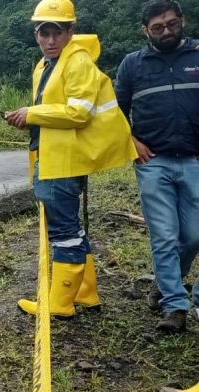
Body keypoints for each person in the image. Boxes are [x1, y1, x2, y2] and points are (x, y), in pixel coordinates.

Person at [6, 0, 138, 319]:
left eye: (58, 32)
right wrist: (28, 118)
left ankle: (61, 304)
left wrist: (31, 113)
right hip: (53, 156)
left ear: (71, 31)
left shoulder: (77, 61)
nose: (50, 40)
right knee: (70, 228)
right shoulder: (46, 64)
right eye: (44, 33)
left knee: (64, 232)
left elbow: (79, 113)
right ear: (36, 35)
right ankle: (85, 293)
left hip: (63, 162)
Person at [114, 0, 199, 333]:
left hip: (194, 159)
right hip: (153, 162)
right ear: (145, 30)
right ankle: (175, 306)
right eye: (158, 27)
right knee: (164, 235)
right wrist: (131, 142)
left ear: (182, 21)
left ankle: (166, 284)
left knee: (193, 235)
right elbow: (116, 111)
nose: (167, 32)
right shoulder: (132, 64)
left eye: (172, 24)